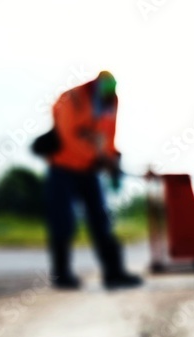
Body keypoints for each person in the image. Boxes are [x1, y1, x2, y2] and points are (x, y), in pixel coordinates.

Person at [44, 71, 142, 290]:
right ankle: (62, 276)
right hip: (62, 168)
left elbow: (108, 136)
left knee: (101, 220)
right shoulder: (72, 98)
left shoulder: (111, 102)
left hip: (89, 170)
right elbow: (69, 137)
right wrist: (100, 157)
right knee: (63, 222)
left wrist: (112, 158)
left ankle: (114, 273)